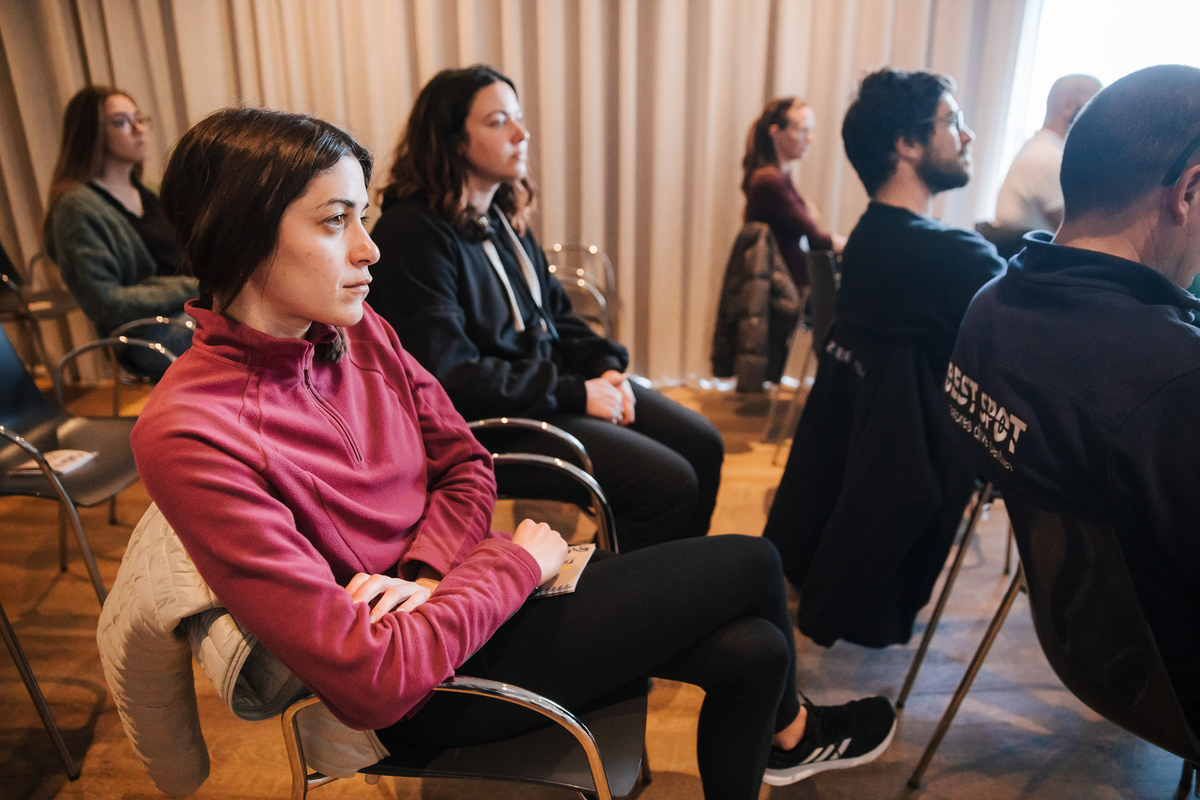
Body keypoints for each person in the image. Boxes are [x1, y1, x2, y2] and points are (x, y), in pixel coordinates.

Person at [134, 105, 896, 796]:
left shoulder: (356, 332)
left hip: (463, 603)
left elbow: (467, 465)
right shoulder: (192, 431)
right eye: (337, 222)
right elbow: (371, 678)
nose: (369, 250)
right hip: (421, 693)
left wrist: (428, 574)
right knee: (753, 563)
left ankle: (788, 741)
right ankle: (794, 739)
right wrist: (514, 566)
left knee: (759, 651)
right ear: (239, 232)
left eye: (361, 216)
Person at [368, 65, 723, 553]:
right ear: (451, 140)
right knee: (668, 483)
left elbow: (556, 315)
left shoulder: (499, 216)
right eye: (498, 122)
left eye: (518, 117)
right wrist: (576, 393)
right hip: (488, 423)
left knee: (703, 443)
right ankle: (624, 589)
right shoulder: (412, 233)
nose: (521, 133)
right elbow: (451, 376)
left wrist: (604, 366)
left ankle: (677, 575)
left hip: (541, 394)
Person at [948, 64, 1200, 732]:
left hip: (1083, 646)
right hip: (1175, 678)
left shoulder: (989, 309)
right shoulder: (1171, 381)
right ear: (1187, 190)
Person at [763, 68, 1007, 648]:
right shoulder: (957, 259)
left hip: (864, 492)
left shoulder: (870, 238)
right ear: (907, 144)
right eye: (953, 121)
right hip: (919, 477)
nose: (967, 135)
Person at [43, 86, 197, 378]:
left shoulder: (150, 191)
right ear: (91, 134)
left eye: (139, 119)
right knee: (241, 335)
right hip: (145, 332)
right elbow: (104, 302)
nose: (139, 129)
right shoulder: (77, 207)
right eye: (121, 122)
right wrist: (192, 288)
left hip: (191, 310)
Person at [742, 97, 845, 288]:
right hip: (780, 293)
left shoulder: (774, 179)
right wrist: (854, 246)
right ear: (775, 132)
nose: (811, 138)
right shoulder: (769, 181)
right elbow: (816, 239)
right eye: (803, 130)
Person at [992, 74, 1101, 237]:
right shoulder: (1051, 159)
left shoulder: (1038, 146)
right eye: (1097, 108)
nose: (1102, 120)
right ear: (1068, 106)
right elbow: (1082, 237)